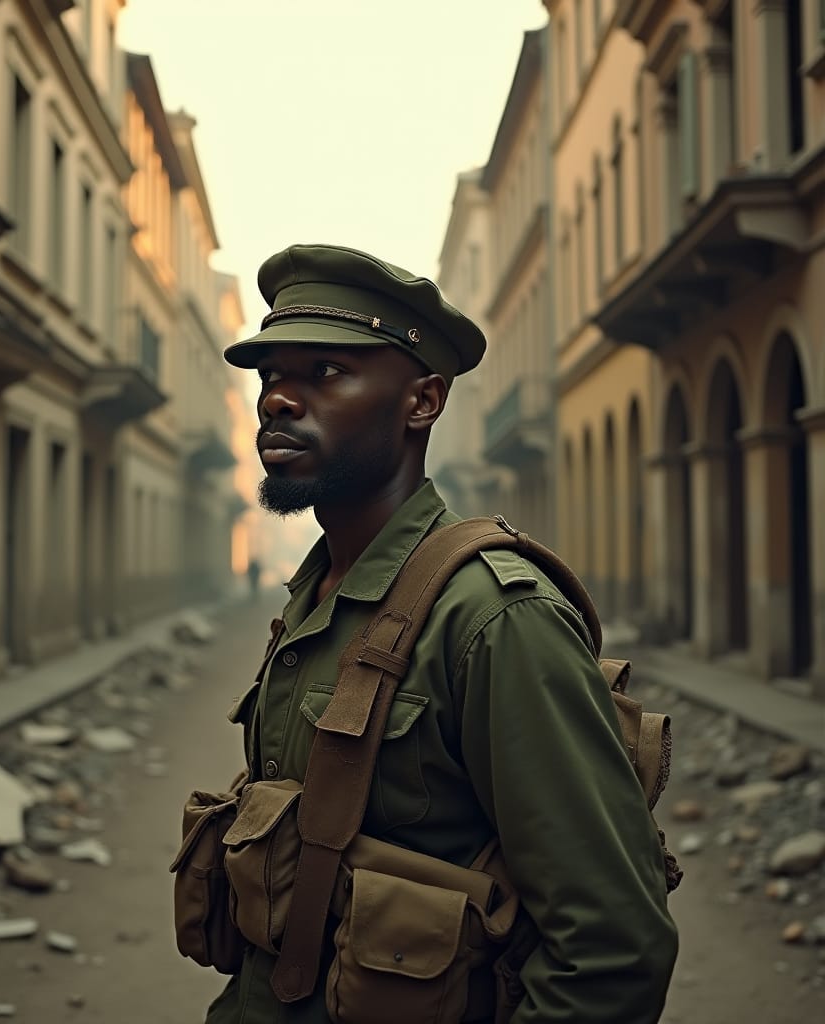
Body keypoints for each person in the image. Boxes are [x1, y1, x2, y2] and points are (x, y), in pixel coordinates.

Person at [197, 243, 677, 1023]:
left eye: (325, 372)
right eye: (270, 376)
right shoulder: (323, 591)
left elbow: (613, 949)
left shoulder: (494, 616)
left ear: (422, 402)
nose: (278, 400)